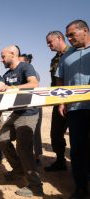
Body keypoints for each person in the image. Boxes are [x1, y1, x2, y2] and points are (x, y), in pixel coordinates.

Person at [0, 45, 43, 197]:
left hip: (29, 112)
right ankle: (18, 170)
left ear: (12, 54)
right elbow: (0, 88)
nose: (1, 59)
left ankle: (35, 186)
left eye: (3, 56)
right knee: (3, 139)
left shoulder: (26, 67)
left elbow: (34, 84)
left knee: (23, 149)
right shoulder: (7, 74)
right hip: (16, 113)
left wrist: (13, 88)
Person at [55, 19, 90, 199]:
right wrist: (62, 102)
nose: (68, 38)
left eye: (71, 34)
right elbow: (60, 79)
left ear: (85, 30)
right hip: (75, 110)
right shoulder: (66, 57)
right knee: (77, 150)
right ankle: (81, 187)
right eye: (67, 35)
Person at [45, 30, 69, 172]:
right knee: (56, 134)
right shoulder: (54, 59)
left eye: (50, 42)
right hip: (58, 100)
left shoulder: (73, 53)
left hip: (75, 100)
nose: (48, 45)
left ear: (59, 38)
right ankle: (60, 161)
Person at [19, 53, 43, 166]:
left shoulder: (33, 74)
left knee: (35, 132)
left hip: (34, 106)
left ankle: (36, 156)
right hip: (23, 106)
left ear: (27, 62)